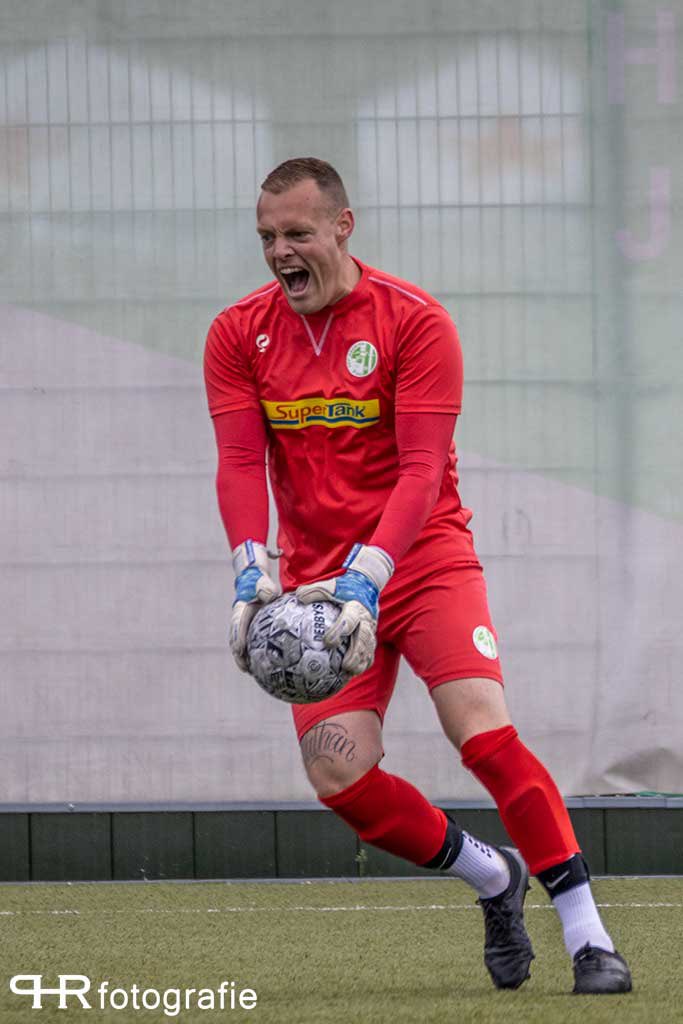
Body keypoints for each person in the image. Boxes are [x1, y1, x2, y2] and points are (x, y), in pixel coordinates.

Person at [203, 156, 632, 995]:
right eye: (265, 237)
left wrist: (372, 575)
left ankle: (589, 938)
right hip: (318, 583)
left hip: (423, 558)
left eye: (295, 233)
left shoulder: (415, 321)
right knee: (336, 773)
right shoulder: (235, 333)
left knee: (482, 733)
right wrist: (250, 573)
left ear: (341, 226)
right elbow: (237, 461)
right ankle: (492, 877)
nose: (279, 252)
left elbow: (421, 467)